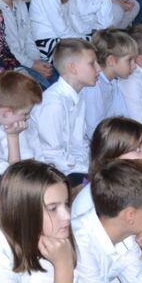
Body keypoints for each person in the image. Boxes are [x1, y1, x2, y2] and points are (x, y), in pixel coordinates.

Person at [31, 38, 99, 183]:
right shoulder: (53, 103)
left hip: (73, 168)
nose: (98, 69)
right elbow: (52, 156)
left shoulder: (77, 95)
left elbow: (79, 144)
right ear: (73, 68)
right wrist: (90, 172)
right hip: (50, 176)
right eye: (92, 63)